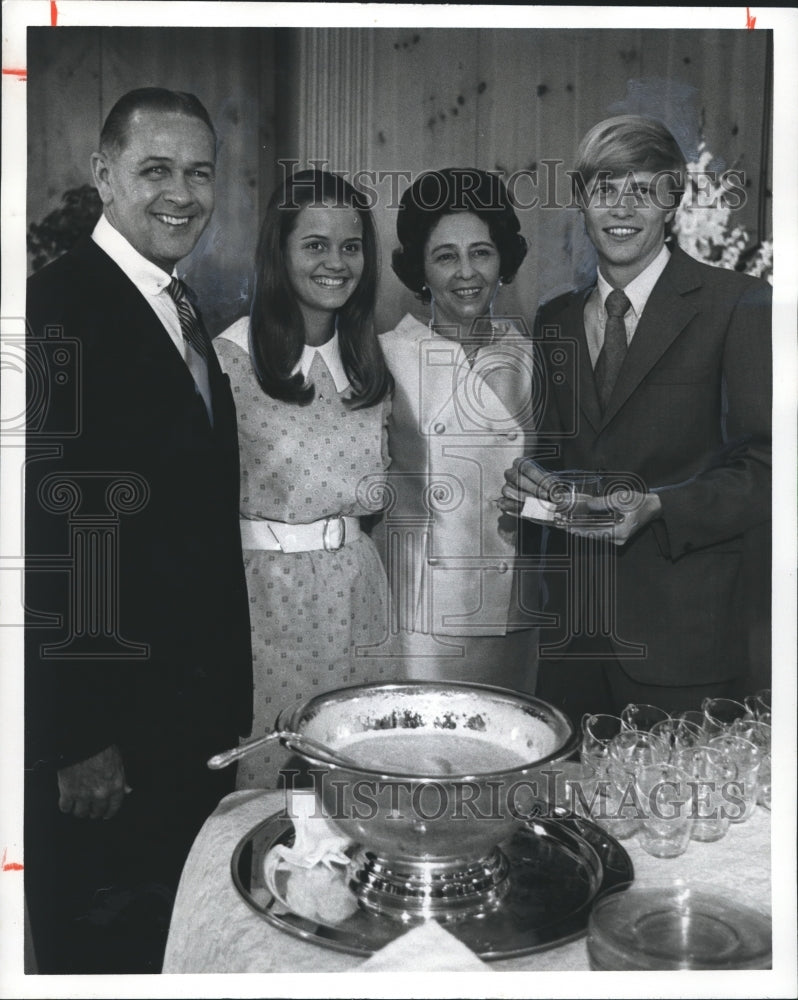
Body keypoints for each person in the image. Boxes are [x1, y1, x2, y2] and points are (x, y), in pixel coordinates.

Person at [24, 88, 252, 974]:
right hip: (104, 744)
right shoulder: (56, 312)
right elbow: (46, 544)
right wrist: (74, 740)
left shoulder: (178, 302)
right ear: (103, 175)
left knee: (175, 950)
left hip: (181, 724)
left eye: (200, 172)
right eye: (156, 169)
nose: (183, 193)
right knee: (105, 961)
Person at [501, 114, 771, 728]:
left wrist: (660, 507)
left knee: (672, 820)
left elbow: (771, 467)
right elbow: (557, 454)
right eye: (605, 188)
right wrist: (532, 482)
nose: (622, 207)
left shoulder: (738, 304)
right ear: (582, 199)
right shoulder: (556, 320)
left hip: (686, 645)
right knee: (569, 818)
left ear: (672, 198)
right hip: (571, 642)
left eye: (644, 189)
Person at [214, 169, 399, 788]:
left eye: (351, 247)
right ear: (280, 251)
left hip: (359, 593)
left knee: (361, 771)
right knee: (273, 782)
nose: (336, 263)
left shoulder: (370, 363)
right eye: (315, 245)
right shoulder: (228, 362)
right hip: (266, 603)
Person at [380, 167, 544, 692]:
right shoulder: (385, 357)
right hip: (421, 618)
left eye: (482, 252)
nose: (466, 272)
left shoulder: (533, 358)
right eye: (445, 256)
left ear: (503, 261)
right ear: (420, 271)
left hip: (516, 611)